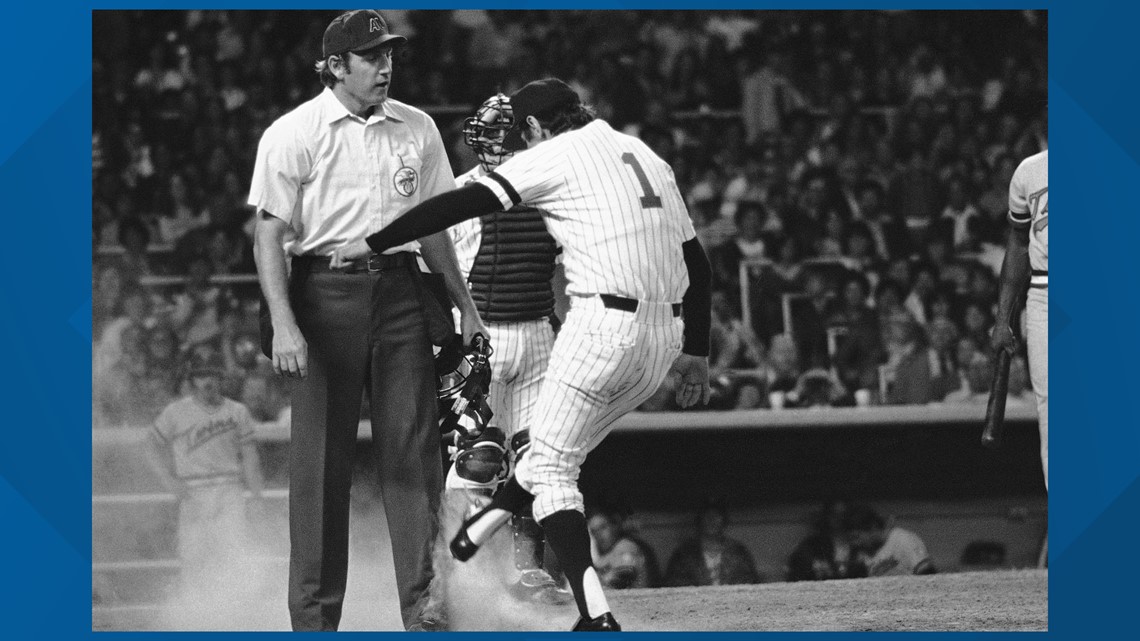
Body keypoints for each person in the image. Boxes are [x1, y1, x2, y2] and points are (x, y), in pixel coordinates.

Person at [335, 77, 712, 632]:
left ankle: (574, 604)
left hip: (574, 329)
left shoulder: (541, 165)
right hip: (649, 335)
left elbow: (453, 222)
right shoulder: (643, 153)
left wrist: (373, 241)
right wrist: (697, 353)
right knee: (524, 457)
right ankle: (468, 552)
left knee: (540, 460)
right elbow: (694, 264)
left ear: (531, 128)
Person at [247, 11, 485, 632]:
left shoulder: (418, 127)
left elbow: (432, 223)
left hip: (403, 292)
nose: (385, 66)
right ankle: (315, 623)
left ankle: (428, 614)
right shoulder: (294, 131)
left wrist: (465, 302)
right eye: (371, 56)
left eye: (390, 55)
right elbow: (268, 234)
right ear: (335, 66)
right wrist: (283, 323)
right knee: (320, 466)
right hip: (322, 295)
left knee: (415, 456)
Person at [442, 93, 571, 606]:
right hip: (480, 334)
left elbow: (566, 265)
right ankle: (455, 573)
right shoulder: (458, 193)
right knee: (478, 458)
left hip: (538, 331)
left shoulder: (553, 191)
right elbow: (436, 273)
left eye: (506, 130)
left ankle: (528, 572)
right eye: (493, 131)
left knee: (536, 460)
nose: (500, 140)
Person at [149, 352, 265, 596]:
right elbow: (150, 447)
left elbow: (250, 457)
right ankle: (196, 617)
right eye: (201, 376)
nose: (207, 381)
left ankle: (232, 613)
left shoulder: (237, 411)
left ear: (221, 378)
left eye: (212, 374)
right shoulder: (175, 412)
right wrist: (169, 482)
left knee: (233, 553)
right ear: (193, 380)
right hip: (193, 492)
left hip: (229, 489)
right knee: (194, 557)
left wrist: (256, 497)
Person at [991, 150, 1047, 490]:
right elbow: (1018, 244)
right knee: (1052, 407)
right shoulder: (1029, 170)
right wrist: (1003, 319)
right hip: (1044, 287)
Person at [663, 496, 761, 587]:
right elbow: (675, 588)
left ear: (724, 519)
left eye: (717, 515)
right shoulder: (683, 554)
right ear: (699, 519)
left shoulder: (738, 552)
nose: (711, 519)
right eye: (707, 514)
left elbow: (749, 585)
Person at [844, 504, 936, 577]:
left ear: (872, 528)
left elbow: (927, 574)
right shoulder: (863, 554)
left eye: (856, 537)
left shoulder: (902, 539)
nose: (855, 543)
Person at [587, 501, 658, 590]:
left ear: (614, 525)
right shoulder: (605, 554)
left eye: (603, 527)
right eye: (594, 532)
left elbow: (619, 583)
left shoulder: (626, 546)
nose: (599, 535)